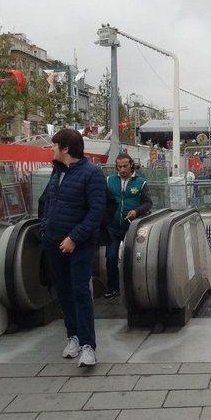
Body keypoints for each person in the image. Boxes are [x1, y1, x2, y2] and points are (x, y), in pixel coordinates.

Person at [40, 129, 106, 367]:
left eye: (54, 145)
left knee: (80, 291)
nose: (51, 148)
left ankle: (89, 346)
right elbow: (48, 202)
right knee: (64, 292)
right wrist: (45, 229)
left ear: (65, 148)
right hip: (53, 242)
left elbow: (96, 212)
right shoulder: (56, 172)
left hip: (79, 245)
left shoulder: (92, 174)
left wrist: (74, 238)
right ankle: (74, 337)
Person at [105, 153, 153, 298]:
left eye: (125, 166)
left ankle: (133, 289)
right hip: (113, 227)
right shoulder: (109, 181)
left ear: (131, 164)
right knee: (111, 257)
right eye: (119, 167)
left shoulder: (141, 182)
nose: (122, 169)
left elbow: (148, 203)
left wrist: (137, 211)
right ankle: (113, 288)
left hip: (131, 228)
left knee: (132, 259)